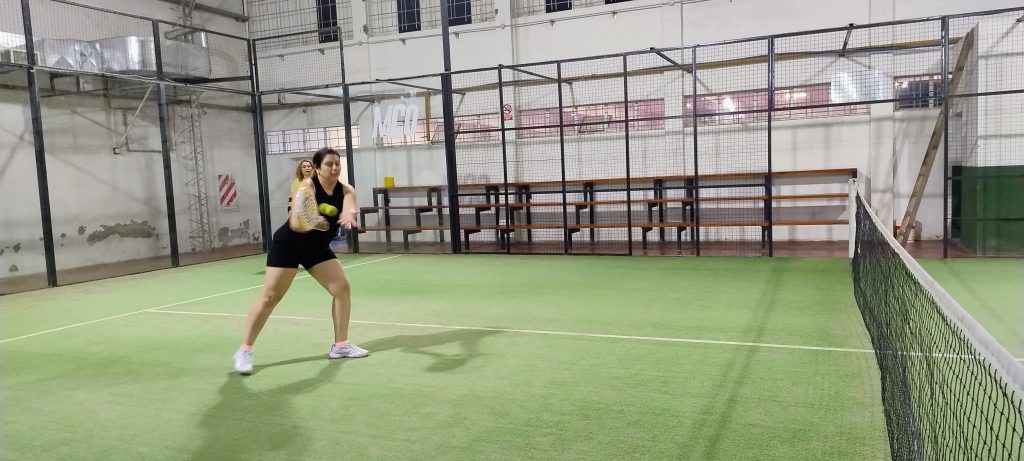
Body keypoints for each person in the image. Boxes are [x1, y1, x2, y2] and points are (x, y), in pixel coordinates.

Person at [233, 148, 364, 375]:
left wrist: (349, 214)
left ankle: (340, 346)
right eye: (328, 164)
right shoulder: (306, 188)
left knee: (341, 288)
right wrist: (314, 223)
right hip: (289, 246)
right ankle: (244, 349)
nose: (334, 168)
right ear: (316, 168)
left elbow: (350, 206)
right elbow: (295, 224)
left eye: (337, 164)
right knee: (270, 296)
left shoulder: (345, 189)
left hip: (316, 249)